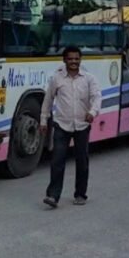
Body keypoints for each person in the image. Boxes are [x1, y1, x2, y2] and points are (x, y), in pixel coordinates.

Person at [40, 46, 100, 208]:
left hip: (82, 126)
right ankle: (53, 195)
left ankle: (80, 194)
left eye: (76, 59)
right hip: (61, 125)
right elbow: (48, 100)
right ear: (64, 60)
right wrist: (43, 121)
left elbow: (96, 98)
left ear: (80, 60)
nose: (74, 62)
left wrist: (92, 112)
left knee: (82, 161)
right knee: (57, 161)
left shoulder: (89, 79)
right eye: (70, 59)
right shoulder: (56, 79)